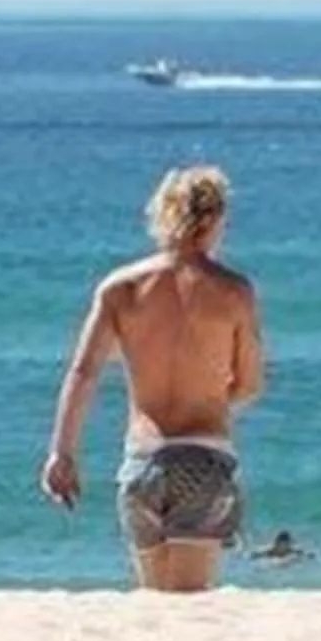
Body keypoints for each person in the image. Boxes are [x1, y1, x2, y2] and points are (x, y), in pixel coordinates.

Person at [40, 164, 266, 592]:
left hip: (142, 463)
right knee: (191, 606)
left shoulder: (119, 287)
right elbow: (251, 383)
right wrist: (211, 397)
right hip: (203, 457)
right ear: (216, 219)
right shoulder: (234, 290)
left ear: (163, 214)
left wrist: (61, 453)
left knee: (155, 602)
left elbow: (83, 373)